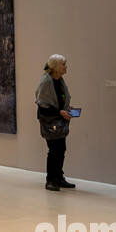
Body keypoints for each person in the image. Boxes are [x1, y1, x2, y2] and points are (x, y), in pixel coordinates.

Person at [36, 54, 74, 190]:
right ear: (56, 67)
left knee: (61, 149)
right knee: (54, 150)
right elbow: (42, 106)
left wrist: (67, 109)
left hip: (60, 122)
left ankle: (59, 177)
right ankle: (50, 180)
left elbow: (61, 100)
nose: (66, 67)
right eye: (63, 64)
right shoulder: (46, 82)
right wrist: (59, 112)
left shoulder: (59, 80)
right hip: (49, 122)